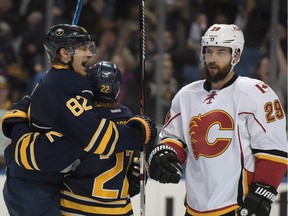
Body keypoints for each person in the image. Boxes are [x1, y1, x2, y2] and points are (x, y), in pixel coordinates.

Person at [1, 24, 156, 216]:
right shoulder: (67, 86)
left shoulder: (59, 80)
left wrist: (17, 120)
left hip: (34, 182)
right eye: (83, 48)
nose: (90, 54)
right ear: (65, 53)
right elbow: (97, 137)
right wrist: (139, 133)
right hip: (33, 187)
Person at [148, 24, 288, 216]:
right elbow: (174, 140)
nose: (213, 58)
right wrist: (165, 154)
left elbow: (274, 151)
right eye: (209, 51)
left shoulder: (256, 93)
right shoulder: (185, 95)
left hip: (236, 206)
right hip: (194, 207)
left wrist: (264, 191)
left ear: (236, 56)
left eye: (221, 52)